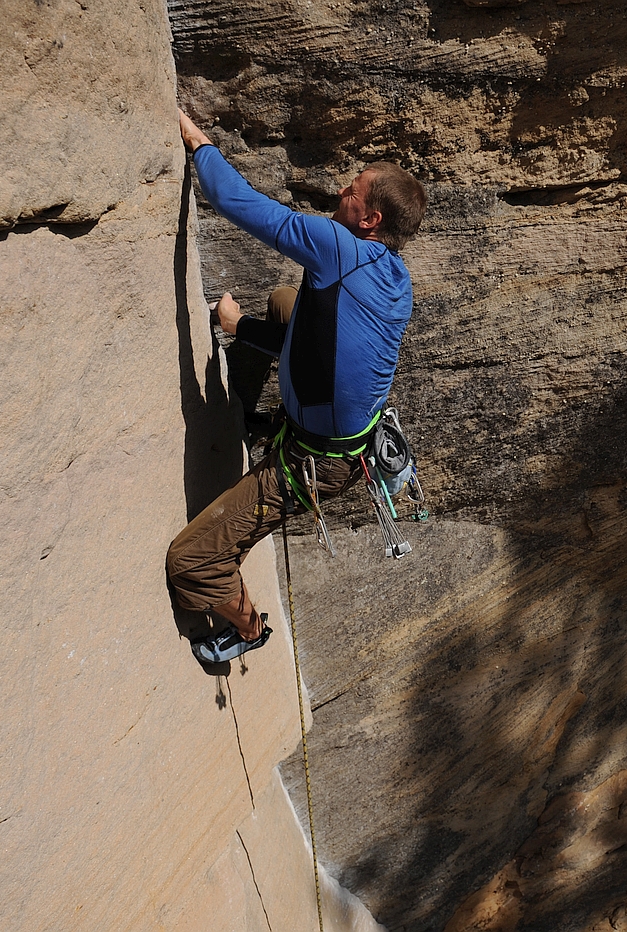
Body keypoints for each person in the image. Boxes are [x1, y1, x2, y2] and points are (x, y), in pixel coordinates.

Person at [167, 110, 426, 664]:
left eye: (352, 190)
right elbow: (328, 346)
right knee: (290, 303)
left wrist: (200, 145)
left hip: (316, 460)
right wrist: (240, 329)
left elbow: (243, 207)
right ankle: (250, 351)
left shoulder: (338, 246)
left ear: (369, 219)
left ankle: (246, 629)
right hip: (347, 429)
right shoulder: (395, 278)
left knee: (191, 561)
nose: (341, 189)